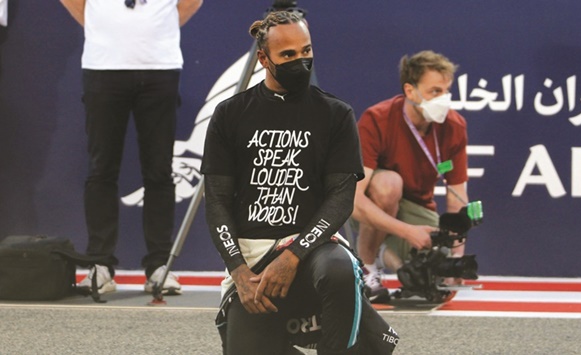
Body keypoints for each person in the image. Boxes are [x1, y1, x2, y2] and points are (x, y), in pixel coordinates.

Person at [201, 10, 398, 355]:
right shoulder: (229, 114)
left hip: (313, 249)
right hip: (252, 261)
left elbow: (340, 199)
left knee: (338, 268)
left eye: (306, 51)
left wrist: (293, 255)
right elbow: (216, 201)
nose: (300, 61)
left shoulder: (335, 113)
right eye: (288, 55)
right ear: (264, 58)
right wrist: (237, 271)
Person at [60, 0, 203, 295]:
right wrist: (102, 27)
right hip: (103, 65)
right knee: (101, 169)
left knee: (160, 170)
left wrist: (157, 30)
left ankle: (159, 267)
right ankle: (100, 264)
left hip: (159, 66)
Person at [352, 50, 469, 302]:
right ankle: (368, 268)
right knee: (388, 184)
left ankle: (386, 254)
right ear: (410, 90)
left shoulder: (453, 126)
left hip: (416, 208)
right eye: (435, 92)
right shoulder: (377, 119)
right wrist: (407, 232)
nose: (444, 100)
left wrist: (456, 257)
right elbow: (352, 199)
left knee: (439, 285)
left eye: (447, 91)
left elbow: (457, 197)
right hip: (372, 207)